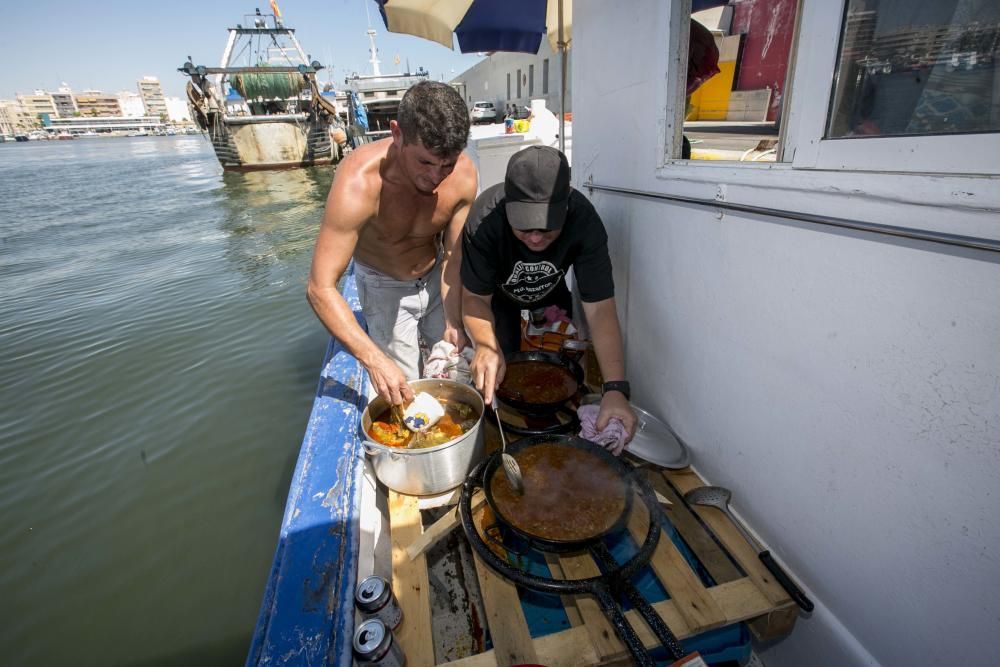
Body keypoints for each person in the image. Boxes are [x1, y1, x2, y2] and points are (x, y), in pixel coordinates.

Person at [307, 81, 478, 406]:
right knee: (403, 389)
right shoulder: (358, 183)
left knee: (457, 367)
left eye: (447, 164)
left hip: (436, 277)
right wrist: (373, 359)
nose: (436, 176)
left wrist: (455, 320)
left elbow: (453, 255)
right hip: (383, 284)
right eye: (425, 162)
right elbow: (320, 288)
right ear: (397, 133)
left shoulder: (465, 177)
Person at [461, 145, 637, 439]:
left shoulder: (584, 222)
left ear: (566, 200)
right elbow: (475, 299)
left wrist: (616, 388)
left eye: (546, 228)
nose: (534, 237)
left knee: (564, 374)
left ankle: (554, 433)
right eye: (524, 226)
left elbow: (599, 308)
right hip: (498, 300)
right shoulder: (484, 220)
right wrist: (484, 345)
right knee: (502, 372)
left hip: (552, 294)